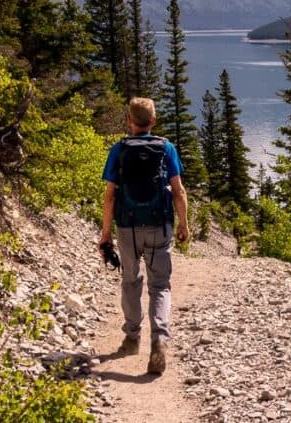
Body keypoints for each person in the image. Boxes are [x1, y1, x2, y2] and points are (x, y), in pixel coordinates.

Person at [99, 97, 190, 374]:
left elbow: (109, 197)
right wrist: (183, 223)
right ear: (153, 122)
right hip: (159, 224)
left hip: (127, 226)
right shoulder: (167, 148)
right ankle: (159, 339)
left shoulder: (119, 149)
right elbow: (179, 191)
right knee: (160, 285)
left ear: (129, 121)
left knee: (130, 280)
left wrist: (106, 234)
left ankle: (132, 337)